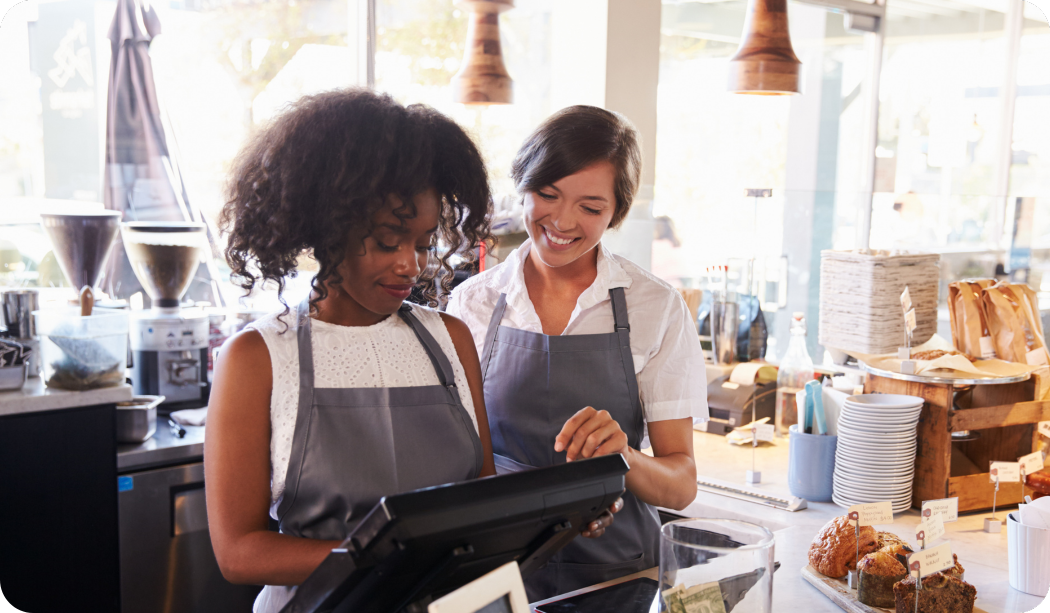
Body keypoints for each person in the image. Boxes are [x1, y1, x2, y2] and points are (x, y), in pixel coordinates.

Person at [447, 106, 708, 599]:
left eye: (590, 208)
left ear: (616, 214)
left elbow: (680, 484)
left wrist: (623, 457)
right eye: (547, 195)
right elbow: (455, 460)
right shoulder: (472, 303)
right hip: (499, 573)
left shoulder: (656, 308)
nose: (562, 221)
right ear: (522, 185)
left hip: (618, 575)